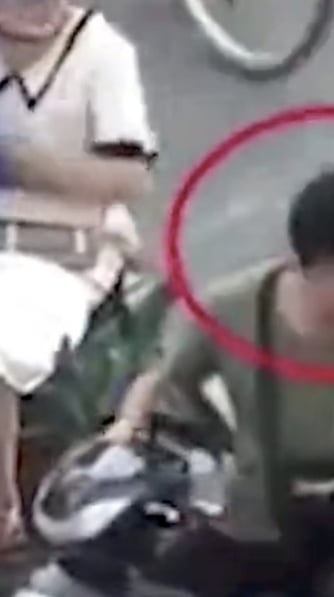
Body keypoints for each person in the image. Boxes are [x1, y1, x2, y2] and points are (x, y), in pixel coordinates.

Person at [104, 163, 334, 596]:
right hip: (257, 515)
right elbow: (162, 380)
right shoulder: (236, 309)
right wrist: (129, 430)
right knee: (160, 584)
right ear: (314, 267)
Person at [0, 0, 156, 551]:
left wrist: (24, 165)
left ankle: (3, 513)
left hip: (60, 248)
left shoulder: (101, 53)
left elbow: (129, 179)